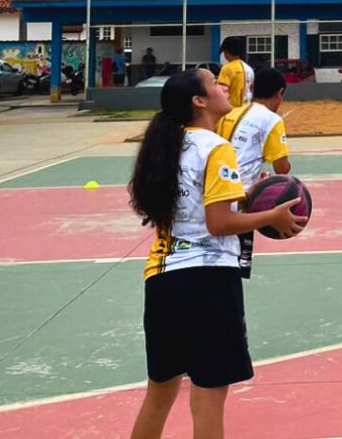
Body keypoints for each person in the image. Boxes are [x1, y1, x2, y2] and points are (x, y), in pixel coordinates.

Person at [127, 69, 305, 439]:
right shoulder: (215, 147)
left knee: (159, 393)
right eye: (214, 84)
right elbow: (219, 223)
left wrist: (246, 196)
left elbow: (195, 209)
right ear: (199, 101)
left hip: (161, 278)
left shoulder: (168, 144)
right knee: (209, 396)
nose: (225, 87)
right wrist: (271, 216)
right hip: (205, 282)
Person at [216, 66, 292, 278]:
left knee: (217, 255)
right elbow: (281, 168)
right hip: (239, 199)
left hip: (215, 191)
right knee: (235, 264)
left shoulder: (231, 113)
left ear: (251, 87)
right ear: (280, 94)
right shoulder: (272, 120)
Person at [217, 36, 248, 108]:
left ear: (226, 52)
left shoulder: (227, 68)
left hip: (231, 109)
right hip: (246, 109)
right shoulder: (248, 68)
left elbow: (222, 91)